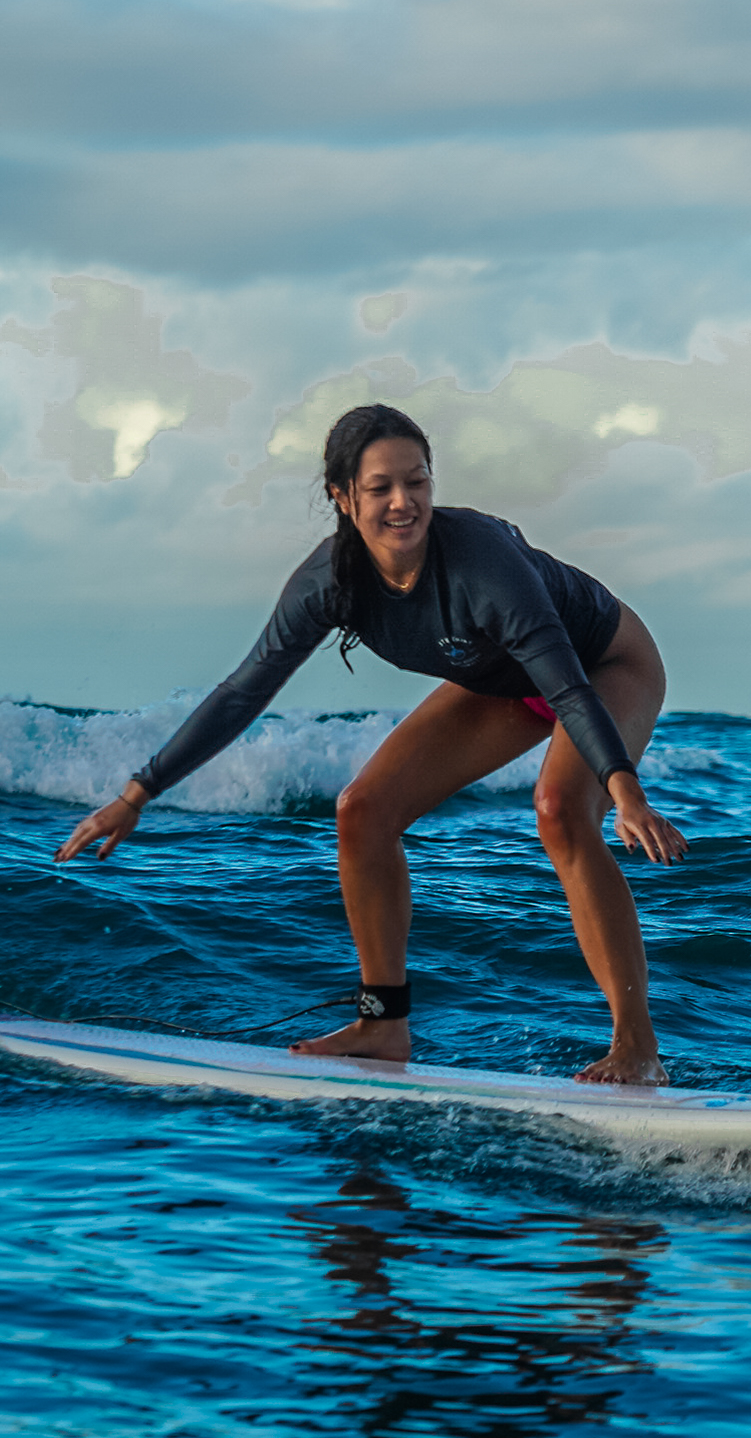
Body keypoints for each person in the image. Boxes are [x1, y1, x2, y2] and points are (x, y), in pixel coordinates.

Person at [55, 403, 688, 1083]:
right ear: (341, 495)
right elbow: (244, 691)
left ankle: (636, 1047)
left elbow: (566, 690)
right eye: (381, 486)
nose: (403, 502)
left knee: (561, 810)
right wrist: (135, 794)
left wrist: (625, 793)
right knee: (363, 809)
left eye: (417, 482)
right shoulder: (330, 581)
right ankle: (383, 1023)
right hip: (497, 680)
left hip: (603, 666)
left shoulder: (483, 562)